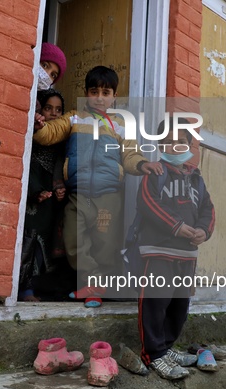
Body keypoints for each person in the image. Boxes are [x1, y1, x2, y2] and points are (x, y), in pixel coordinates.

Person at [33, 66, 163, 308]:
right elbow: (50, 133)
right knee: (72, 239)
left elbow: (131, 155)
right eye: (94, 92)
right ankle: (93, 284)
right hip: (79, 194)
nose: (99, 97)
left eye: (106, 92)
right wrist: (41, 127)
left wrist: (143, 165)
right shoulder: (74, 118)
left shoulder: (122, 125)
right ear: (86, 93)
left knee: (105, 244)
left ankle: (94, 290)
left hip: (109, 195)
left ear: (114, 96)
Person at [136, 118, 216, 380]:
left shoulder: (196, 179)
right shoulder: (156, 173)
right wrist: (176, 226)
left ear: (189, 145)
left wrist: (204, 230)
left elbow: (208, 210)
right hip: (158, 250)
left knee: (179, 306)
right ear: (160, 144)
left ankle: (166, 347)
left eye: (181, 141)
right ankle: (153, 354)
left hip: (187, 255)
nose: (175, 145)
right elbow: (149, 204)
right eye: (169, 141)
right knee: (155, 301)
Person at [18, 45, 67, 302]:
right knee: (27, 238)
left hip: (49, 197)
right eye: (45, 66)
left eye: (59, 110)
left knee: (46, 242)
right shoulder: (32, 115)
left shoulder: (58, 134)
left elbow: (61, 163)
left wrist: (57, 186)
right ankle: (23, 289)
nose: (54, 114)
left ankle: (38, 288)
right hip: (32, 195)